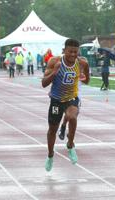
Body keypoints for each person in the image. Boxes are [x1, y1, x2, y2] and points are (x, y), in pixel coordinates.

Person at [42, 39, 89, 171]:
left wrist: (84, 77)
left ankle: (70, 144)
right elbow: (44, 83)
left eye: (75, 52)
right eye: (70, 52)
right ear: (64, 51)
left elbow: (87, 80)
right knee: (52, 130)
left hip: (71, 98)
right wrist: (54, 72)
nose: (73, 55)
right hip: (56, 100)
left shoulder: (82, 63)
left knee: (72, 116)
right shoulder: (54, 62)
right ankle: (50, 155)